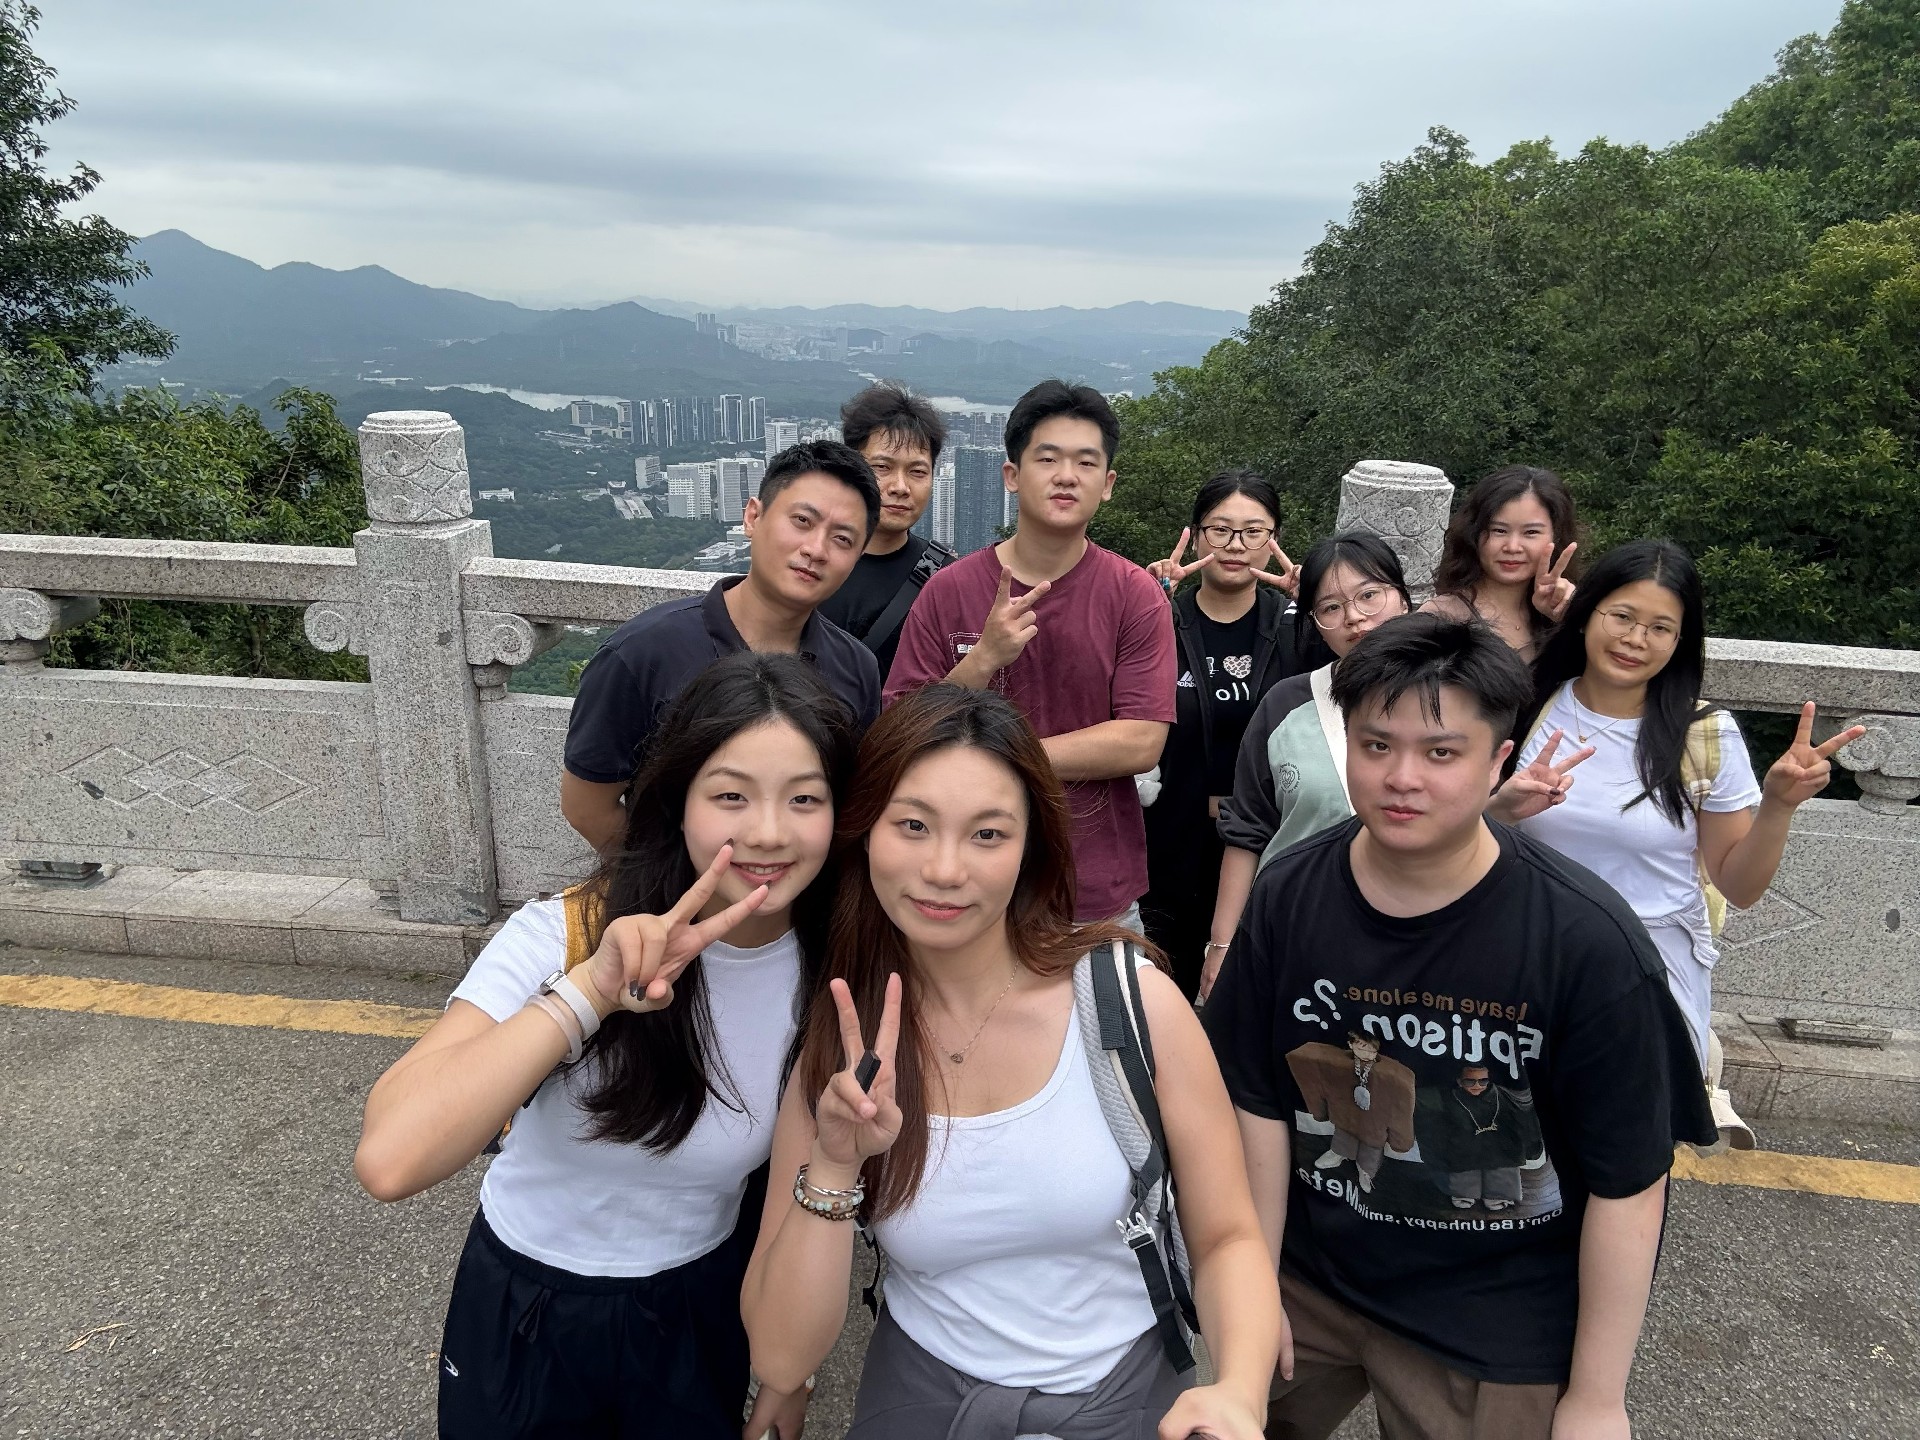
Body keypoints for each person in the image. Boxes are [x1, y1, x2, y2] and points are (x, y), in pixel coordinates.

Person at [1204, 613, 1716, 1440]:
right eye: (1376, 745)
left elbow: (1628, 1182)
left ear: (1498, 761)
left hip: (1497, 1311)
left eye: (1441, 753)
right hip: (1315, 1274)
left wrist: (1597, 1398)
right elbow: (1257, 1103)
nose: (1401, 777)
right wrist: (1253, 1293)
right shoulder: (1289, 893)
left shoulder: (1586, 941)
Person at [741, 684, 1283, 1440]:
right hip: (921, 1404)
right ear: (863, 833)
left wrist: (1240, 1390)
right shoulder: (846, 1041)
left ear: (1033, 848)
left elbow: (1225, 1236)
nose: (944, 869)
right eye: (913, 825)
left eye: (988, 835)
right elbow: (779, 1355)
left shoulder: (1130, 1003)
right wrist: (834, 1166)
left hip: (1126, 1404)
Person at [355, 653, 858, 1440]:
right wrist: (589, 991)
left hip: (697, 1305)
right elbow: (391, 1159)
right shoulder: (566, 933)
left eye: (804, 798)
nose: (768, 831)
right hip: (525, 1301)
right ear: (677, 804)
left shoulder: (831, 979)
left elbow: (782, 1209)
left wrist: (784, 1380)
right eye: (730, 795)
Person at [1496, 539, 1865, 1149]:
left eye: (1660, 627)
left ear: (1680, 641)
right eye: (1622, 616)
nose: (1635, 639)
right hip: (1524, 961)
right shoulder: (1524, 705)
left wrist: (1778, 805)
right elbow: (1461, 834)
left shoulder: (1704, 734)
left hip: (1645, 975)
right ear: (1585, 614)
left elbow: (1739, 886)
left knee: (1623, 1157)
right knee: (1515, 1155)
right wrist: (1500, 810)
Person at [886, 379, 1176, 925]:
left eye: (1086, 463)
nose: (1067, 476)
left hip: (1091, 889)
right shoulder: (949, 590)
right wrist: (983, 658)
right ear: (1012, 475)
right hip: (958, 882)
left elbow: (1141, 739)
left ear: (1107, 484)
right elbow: (900, 728)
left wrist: (1010, 755)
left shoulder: (1134, 595)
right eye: (1048, 458)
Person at [561, 440, 882, 852]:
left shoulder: (855, 667)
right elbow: (587, 806)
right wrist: (666, 879)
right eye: (802, 521)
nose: (816, 550)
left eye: (842, 539)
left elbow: (850, 802)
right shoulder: (643, 652)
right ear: (753, 517)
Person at [1203, 532, 1413, 1001]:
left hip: (1408, 942)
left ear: (1402, 598)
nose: (1354, 617)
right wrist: (1221, 947)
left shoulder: (1447, 700)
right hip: (1289, 935)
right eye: (1331, 607)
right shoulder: (1286, 703)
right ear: (1315, 622)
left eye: (1369, 595)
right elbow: (1248, 829)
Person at [1138, 470, 1304, 998]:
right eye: (1220, 529)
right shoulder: (1161, 619)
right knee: (1159, 998)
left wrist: (1317, 604)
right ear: (1196, 536)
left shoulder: (1294, 629)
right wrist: (1145, 602)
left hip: (1270, 847)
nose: (1235, 545)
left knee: (1250, 1003)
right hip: (1169, 844)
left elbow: (1369, 676)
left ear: (1274, 540)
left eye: (1253, 531)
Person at [818, 381, 958, 678]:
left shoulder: (947, 578)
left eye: (917, 472)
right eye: (882, 467)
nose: (900, 487)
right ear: (851, 468)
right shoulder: (811, 561)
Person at [1421, 465, 1580, 661]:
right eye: (1499, 531)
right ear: (1473, 534)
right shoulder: (1440, 618)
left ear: (1557, 537)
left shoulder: (1561, 613)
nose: (1512, 547)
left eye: (1531, 532)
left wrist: (1571, 618)